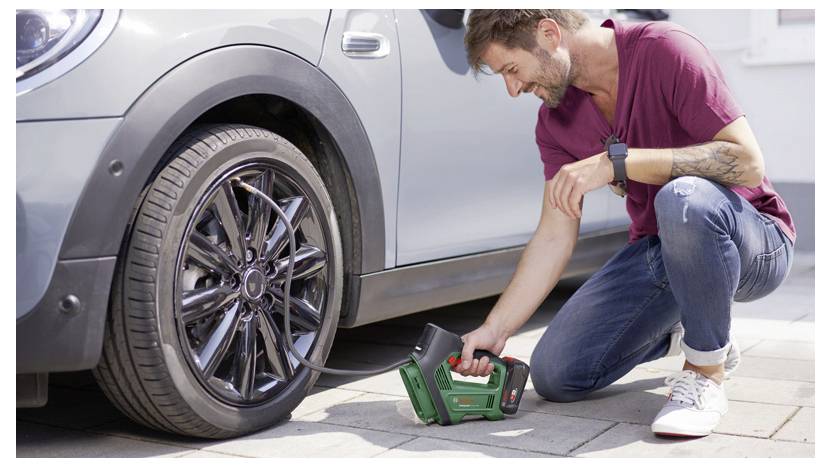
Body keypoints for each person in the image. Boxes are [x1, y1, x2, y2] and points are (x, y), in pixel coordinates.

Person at [454, 9, 796, 437]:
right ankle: (689, 326)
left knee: (683, 198)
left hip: (751, 239)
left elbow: (747, 163)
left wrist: (620, 162)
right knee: (556, 374)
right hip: (661, 252)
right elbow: (554, 234)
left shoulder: (667, 50)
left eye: (512, 69)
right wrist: (495, 328)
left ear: (548, 33)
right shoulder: (554, 123)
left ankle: (706, 372)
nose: (514, 88)